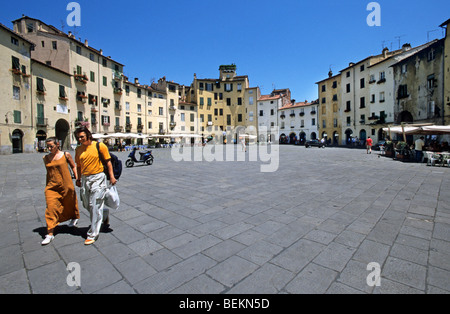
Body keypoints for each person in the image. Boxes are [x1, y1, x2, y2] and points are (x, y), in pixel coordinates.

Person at [74, 127, 117, 245]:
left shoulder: (99, 146)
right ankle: (104, 213)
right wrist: (78, 178)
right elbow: (78, 165)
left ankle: (93, 233)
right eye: (78, 137)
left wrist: (112, 177)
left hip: (98, 177)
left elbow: (108, 162)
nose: (80, 139)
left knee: (94, 205)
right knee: (86, 204)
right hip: (84, 178)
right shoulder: (78, 149)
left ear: (88, 135)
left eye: (82, 136)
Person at [42, 137, 80, 245]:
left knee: (69, 203)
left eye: (51, 146)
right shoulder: (45, 158)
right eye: (48, 146)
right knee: (50, 208)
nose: (49, 148)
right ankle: (49, 234)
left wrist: (77, 179)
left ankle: (74, 217)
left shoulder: (65, 155)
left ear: (57, 144)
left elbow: (73, 166)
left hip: (66, 184)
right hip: (51, 187)